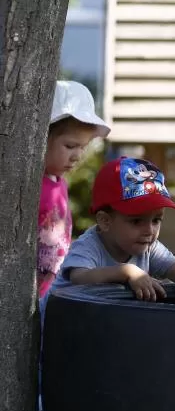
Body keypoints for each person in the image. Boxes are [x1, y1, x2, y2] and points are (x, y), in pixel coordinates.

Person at [49, 156, 175, 302]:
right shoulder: (90, 245)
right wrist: (126, 272)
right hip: (60, 323)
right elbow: (80, 277)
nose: (149, 230)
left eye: (156, 220)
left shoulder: (149, 247)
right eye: (136, 221)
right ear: (105, 221)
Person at [38, 80, 110, 299]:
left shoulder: (60, 182)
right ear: (42, 137)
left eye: (83, 147)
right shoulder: (31, 186)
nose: (78, 155)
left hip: (52, 288)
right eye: (70, 146)